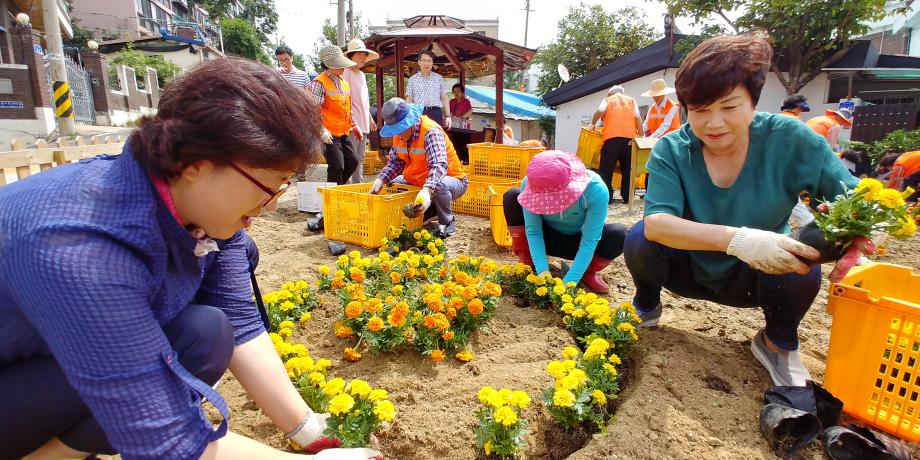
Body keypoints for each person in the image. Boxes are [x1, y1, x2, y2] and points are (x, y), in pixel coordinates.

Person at [0, 58, 379, 460]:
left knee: (203, 333)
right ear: (198, 165)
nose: (270, 205)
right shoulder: (83, 249)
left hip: (42, 360)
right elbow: (169, 441)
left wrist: (309, 431)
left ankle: (60, 450)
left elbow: (238, 321)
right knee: (174, 362)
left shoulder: (197, 210)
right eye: (269, 186)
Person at [623, 36, 871, 388]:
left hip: (758, 277)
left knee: (802, 255)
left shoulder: (791, 139)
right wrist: (739, 240)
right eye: (700, 110)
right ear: (686, 109)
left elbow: (859, 198)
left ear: (753, 102)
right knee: (638, 237)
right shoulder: (673, 149)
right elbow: (658, 224)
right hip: (687, 270)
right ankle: (646, 305)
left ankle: (777, 343)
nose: (714, 123)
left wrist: (858, 231)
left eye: (729, 106)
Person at [504, 151, 628, 294]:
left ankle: (587, 272)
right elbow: (533, 231)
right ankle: (528, 260)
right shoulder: (531, 183)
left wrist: (569, 283)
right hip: (547, 237)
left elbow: (590, 240)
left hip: (577, 243)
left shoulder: (595, 189)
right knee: (512, 196)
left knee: (619, 233)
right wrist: (542, 272)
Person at [370, 98, 468, 237]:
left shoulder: (430, 131)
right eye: (396, 130)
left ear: (411, 122)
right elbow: (396, 162)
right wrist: (381, 179)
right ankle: (431, 210)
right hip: (419, 180)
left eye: (401, 128)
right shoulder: (398, 136)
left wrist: (427, 190)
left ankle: (447, 221)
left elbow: (439, 165)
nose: (399, 133)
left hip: (453, 180)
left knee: (439, 185)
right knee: (395, 184)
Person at [307, 45, 363, 186]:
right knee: (337, 166)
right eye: (340, 65)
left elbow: (347, 108)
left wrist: (355, 125)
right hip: (328, 134)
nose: (343, 68)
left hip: (343, 132)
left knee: (353, 161)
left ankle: (335, 190)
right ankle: (333, 196)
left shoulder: (343, 83)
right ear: (329, 65)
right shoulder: (319, 83)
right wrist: (321, 130)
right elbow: (312, 110)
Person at [590, 85, 643, 204]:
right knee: (628, 170)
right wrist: (641, 135)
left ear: (610, 93)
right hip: (629, 141)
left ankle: (607, 197)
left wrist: (592, 124)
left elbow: (600, 110)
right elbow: (637, 117)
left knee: (606, 170)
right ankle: (628, 197)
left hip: (611, 140)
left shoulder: (607, 100)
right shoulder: (631, 101)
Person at [343, 38, 379, 184]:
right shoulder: (346, 72)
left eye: (364, 54)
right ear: (351, 56)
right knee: (351, 157)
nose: (362, 57)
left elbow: (365, 100)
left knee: (360, 157)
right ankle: (347, 187)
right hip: (353, 122)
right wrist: (353, 122)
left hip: (364, 121)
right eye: (358, 54)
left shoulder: (362, 75)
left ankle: (358, 184)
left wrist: (370, 118)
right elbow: (346, 99)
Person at [405, 49, 452, 129]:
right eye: (424, 60)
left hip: (436, 112)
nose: (427, 63)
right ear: (419, 62)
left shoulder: (439, 78)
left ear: (432, 62)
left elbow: (444, 97)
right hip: (419, 113)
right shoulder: (412, 79)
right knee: (420, 138)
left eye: (429, 61)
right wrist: (408, 116)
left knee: (436, 139)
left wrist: (448, 116)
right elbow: (409, 99)